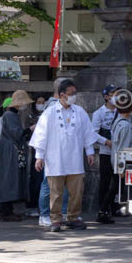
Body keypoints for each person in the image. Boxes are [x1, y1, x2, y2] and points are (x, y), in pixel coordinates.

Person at [30, 78, 98, 231]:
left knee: (76, 192)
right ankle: (55, 219)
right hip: (55, 159)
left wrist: (90, 152)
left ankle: (73, 217)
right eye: (71, 93)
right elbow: (41, 135)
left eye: (75, 93)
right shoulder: (49, 113)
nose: (74, 96)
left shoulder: (79, 112)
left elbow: (88, 133)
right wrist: (39, 157)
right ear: (62, 95)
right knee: (56, 192)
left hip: (74, 159)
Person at [0, 90, 33, 220]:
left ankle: (7, 210)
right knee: (9, 179)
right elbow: (17, 134)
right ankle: (6, 211)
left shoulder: (11, 115)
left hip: (11, 150)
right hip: (11, 151)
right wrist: (30, 129)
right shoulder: (9, 115)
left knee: (10, 178)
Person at [110, 94, 132, 224]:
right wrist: (121, 168)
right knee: (131, 191)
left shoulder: (118, 122)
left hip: (117, 161)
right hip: (125, 163)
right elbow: (124, 148)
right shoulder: (126, 126)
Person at [91, 84, 118, 223]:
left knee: (118, 180)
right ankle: (103, 209)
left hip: (119, 152)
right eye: (113, 94)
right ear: (106, 96)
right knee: (105, 182)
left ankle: (114, 206)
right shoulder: (99, 113)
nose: (116, 97)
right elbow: (93, 133)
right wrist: (106, 142)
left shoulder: (121, 111)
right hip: (106, 151)